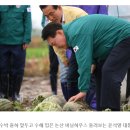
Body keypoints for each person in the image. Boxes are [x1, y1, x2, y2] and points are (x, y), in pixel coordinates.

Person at [42, 15, 130, 111]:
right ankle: (102, 109)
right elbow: (89, 52)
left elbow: (84, 63)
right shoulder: (71, 34)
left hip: (125, 36)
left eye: (54, 43)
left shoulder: (76, 33)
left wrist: (83, 90)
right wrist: (93, 62)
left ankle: (112, 111)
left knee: (109, 72)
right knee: (98, 71)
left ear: (59, 32)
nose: (57, 47)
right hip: (113, 43)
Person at [39, 5, 87, 100]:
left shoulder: (78, 15)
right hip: (72, 48)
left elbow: (87, 36)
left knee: (86, 71)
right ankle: (71, 103)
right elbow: (54, 43)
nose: (50, 18)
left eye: (51, 14)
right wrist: (64, 58)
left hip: (86, 44)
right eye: (47, 16)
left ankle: (90, 102)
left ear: (59, 8)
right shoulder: (51, 22)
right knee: (68, 75)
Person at [0, 5, 32, 101]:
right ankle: (3, 94)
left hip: (19, 43)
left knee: (18, 70)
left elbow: (27, 22)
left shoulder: (25, 5)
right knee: (2, 68)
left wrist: (26, 39)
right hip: (2, 42)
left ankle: (15, 94)